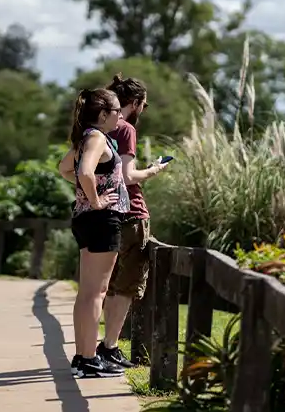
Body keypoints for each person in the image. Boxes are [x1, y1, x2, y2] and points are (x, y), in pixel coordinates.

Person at [57, 88, 129, 378]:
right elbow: (84, 171)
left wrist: (86, 197)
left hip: (85, 220)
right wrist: (97, 200)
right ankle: (88, 358)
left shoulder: (86, 137)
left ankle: (82, 357)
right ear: (102, 115)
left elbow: (64, 169)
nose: (120, 116)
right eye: (116, 111)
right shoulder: (98, 137)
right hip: (102, 220)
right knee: (96, 292)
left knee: (86, 293)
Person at [97, 73, 168, 369]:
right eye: (144, 105)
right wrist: (153, 170)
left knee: (109, 284)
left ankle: (103, 345)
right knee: (127, 285)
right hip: (131, 213)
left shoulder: (96, 128)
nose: (143, 111)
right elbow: (128, 176)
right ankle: (110, 346)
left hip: (104, 212)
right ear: (135, 103)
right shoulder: (125, 129)